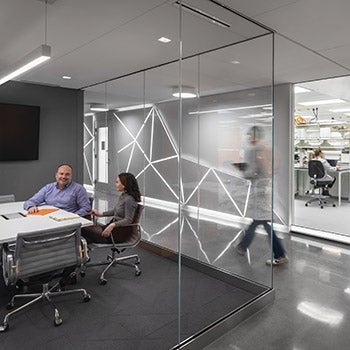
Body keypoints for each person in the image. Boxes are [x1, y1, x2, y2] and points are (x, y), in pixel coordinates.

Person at [236, 126, 288, 266]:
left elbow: (253, 171)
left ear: (255, 136)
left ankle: (280, 254)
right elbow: (273, 168)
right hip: (265, 189)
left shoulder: (256, 150)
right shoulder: (266, 148)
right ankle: (242, 246)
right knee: (259, 221)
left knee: (262, 221)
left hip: (261, 189)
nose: (248, 139)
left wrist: (244, 171)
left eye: (249, 136)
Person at [82, 172, 141, 244]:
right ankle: (82, 251)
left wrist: (112, 225)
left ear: (124, 185)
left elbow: (128, 220)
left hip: (119, 233)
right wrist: (100, 214)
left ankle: (81, 252)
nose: (115, 184)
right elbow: (115, 211)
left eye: (117, 182)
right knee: (84, 234)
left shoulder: (130, 199)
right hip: (113, 228)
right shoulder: (124, 195)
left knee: (82, 230)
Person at [23, 164, 91, 216]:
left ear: (71, 176)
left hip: (68, 222)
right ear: (56, 175)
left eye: (67, 174)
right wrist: (31, 207)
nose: (64, 177)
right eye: (61, 174)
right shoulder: (48, 188)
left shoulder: (79, 189)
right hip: (49, 219)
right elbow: (31, 201)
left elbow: (86, 208)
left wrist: (72, 216)